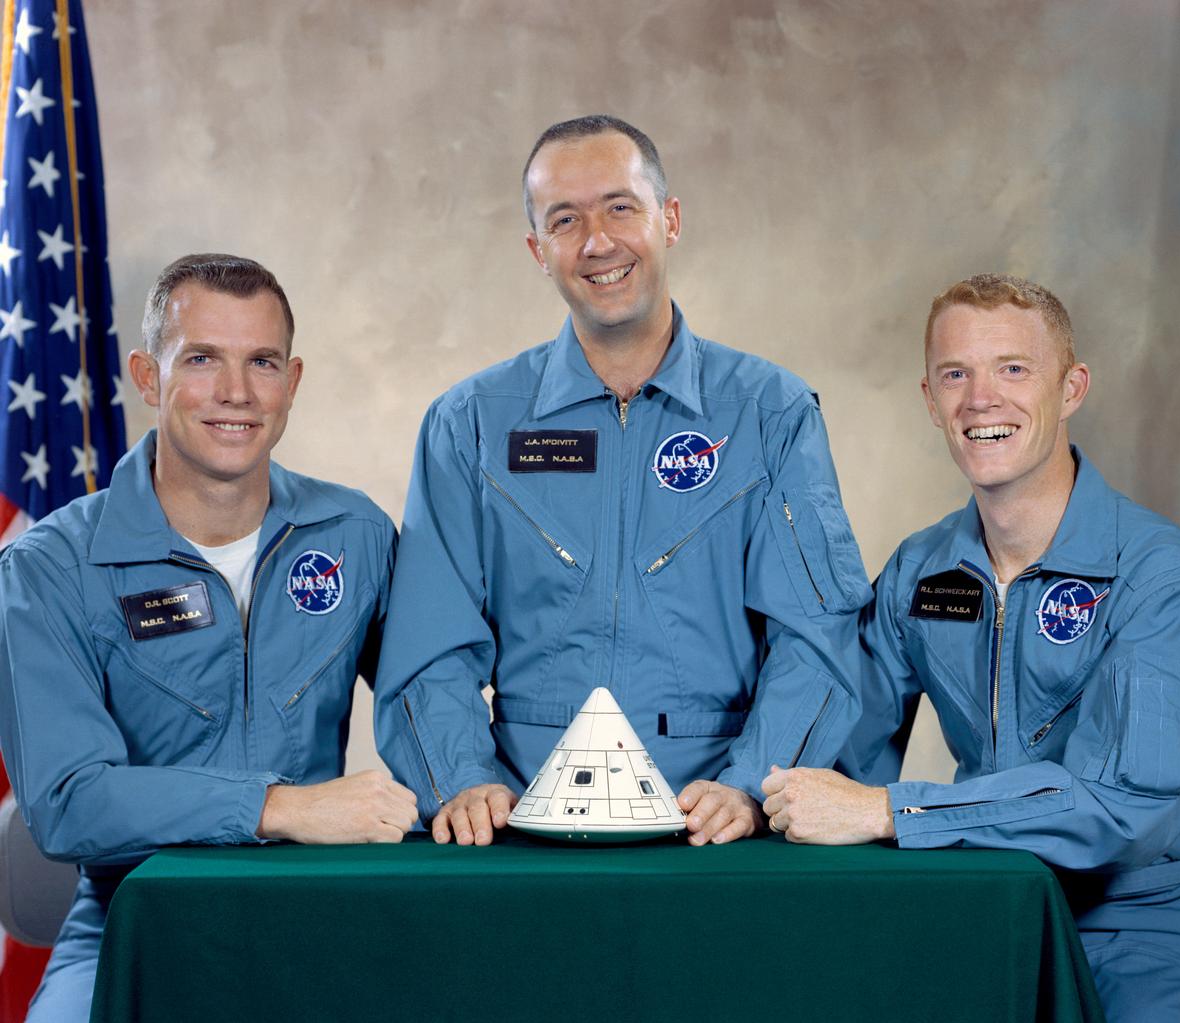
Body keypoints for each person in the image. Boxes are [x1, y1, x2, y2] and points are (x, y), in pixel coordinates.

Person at [762, 273, 1180, 1022]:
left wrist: (892, 812)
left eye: (1012, 369)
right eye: (955, 374)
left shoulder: (1166, 584)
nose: (980, 399)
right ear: (929, 399)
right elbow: (839, 753)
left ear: (1071, 388)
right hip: (988, 905)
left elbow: (1123, 809)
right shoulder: (921, 570)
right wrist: (752, 790)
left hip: (1141, 929)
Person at [374, 115, 868, 847]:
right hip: (523, 827)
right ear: (537, 250)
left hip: (716, 828)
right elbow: (428, 641)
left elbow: (814, 635)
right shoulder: (470, 423)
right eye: (564, 220)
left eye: (619, 208)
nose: (597, 242)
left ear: (668, 220)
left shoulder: (770, 412)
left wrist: (753, 785)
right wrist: (462, 780)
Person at [0, 254, 418, 1021]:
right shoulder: (48, 568)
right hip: (133, 911)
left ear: (291, 382)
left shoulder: (354, 534)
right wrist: (279, 807)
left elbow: (430, 699)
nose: (236, 392)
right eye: (201, 359)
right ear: (147, 376)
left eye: (261, 361)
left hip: (313, 906)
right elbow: (68, 801)